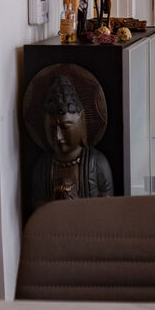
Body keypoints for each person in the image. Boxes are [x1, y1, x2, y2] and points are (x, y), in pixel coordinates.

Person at [31, 74, 113, 210]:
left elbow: (108, 209)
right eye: (51, 128)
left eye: (65, 127)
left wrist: (76, 203)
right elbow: (37, 209)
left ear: (81, 122)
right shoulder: (43, 167)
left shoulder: (97, 163)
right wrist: (55, 202)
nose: (57, 136)